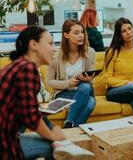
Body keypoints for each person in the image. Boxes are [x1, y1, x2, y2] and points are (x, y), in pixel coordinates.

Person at [0, 27, 93, 159]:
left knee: (57, 144)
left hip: (8, 134)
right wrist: (54, 137)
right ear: (33, 45)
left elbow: (26, 109)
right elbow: (31, 118)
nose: (54, 49)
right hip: (4, 142)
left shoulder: (19, 65)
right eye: (50, 43)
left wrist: (52, 128)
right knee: (57, 149)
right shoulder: (27, 68)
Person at [47, 19, 96, 128]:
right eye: (76, 33)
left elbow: (92, 77)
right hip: (64, 93)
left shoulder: (90, 52)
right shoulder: (55, 55)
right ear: (66, 35)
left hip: (85, 91)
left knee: (85, 86)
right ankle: (73, 129)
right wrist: (68, 83)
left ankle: (68, 123)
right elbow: (49, 81)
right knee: (91, 102)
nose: (81, 36)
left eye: (82, 32)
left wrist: (89, 78)